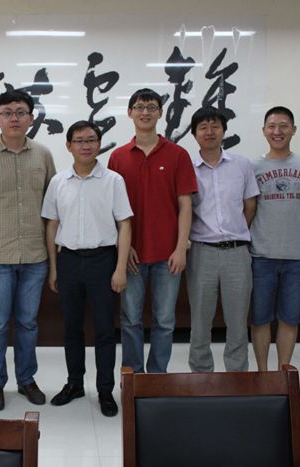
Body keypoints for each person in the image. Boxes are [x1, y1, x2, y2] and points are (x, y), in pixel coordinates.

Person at [0, 90, 56, 411]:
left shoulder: (43, 154)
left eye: (20, 112)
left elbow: (53, 205)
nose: (14, 118)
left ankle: (27, 379)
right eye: (7, 112)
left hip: (35, 255)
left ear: (31, 118)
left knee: (28, 323)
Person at [42, 120, 132, 417]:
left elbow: (125, 224)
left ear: (99, 144)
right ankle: (75, 384)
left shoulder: (113, 180)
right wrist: (54, 268)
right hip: (68, 260)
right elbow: (52, 224)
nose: (86, 145)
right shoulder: (59, 181)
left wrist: (120, 268)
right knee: (72, 328)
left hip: (103, 261)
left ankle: (105, 390)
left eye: (91, 140)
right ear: (69, 146)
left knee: (105, 330)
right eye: (79, 141)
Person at [107, 88, 197, 374]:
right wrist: (125, 248)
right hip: (131, 254)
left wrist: (181, 248)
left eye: (151, 107)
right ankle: (133, 377)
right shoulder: (118, 157)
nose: (145, 112)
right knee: (130, 319)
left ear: (160, 113)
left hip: (168, 255)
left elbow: (185, 205)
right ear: (130, 113)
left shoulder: (177, 154)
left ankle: (157, 376)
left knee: (165, 321)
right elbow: (112, 210)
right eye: (139, 107)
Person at [187, 107, 259, 373]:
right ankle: (201, 375)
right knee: (200, 320)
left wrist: (234, 232)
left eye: (215, 126)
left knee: (238, 320)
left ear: (224, 130)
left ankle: (237, 376)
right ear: (195, 134)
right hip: (201, 252)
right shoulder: (187, 167)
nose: (209, 131)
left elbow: (250, 206)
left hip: (237, 252)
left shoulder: (242, 165)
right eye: (203, 127)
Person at [249, 106, 300, 371]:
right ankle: (263, 374)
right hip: (261, 256)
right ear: (264, 130)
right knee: (260, 319)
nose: (277, 131)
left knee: (290, 319)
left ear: (293, 129)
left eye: (283, 126)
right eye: (272, 126)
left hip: (297, 258)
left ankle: (283, 373)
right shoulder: (253, 167)